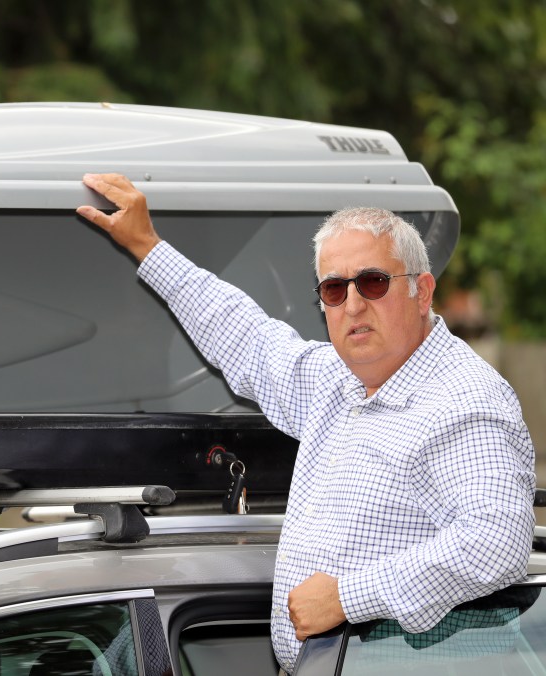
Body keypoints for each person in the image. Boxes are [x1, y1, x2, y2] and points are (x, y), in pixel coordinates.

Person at [76, 173, 536, 673]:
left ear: (422, 292)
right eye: (335, 289)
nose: (354, 303)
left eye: (373, 282)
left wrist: (347, 598)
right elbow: (246, 338)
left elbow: (496, 543)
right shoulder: (337, 380)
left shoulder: (465, 400)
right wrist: (147, 244)